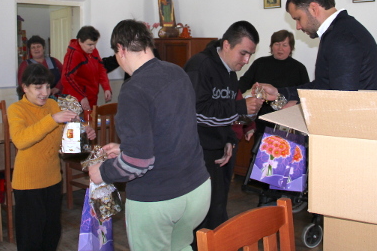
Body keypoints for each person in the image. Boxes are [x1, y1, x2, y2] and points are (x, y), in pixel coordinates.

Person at [88, 19, 210, 251]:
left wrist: (102, 172)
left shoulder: (133, 89)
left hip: (160, 198)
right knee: (180, 247)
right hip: (197, 190)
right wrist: (124, 149)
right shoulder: (177, 72)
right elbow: (172, 132)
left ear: (121, 49)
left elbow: (137, 163)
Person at [184, 21, 264, 234]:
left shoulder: (230, 73)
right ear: (227, 45)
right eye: (243, 53)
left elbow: (223, 113)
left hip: (219, 149)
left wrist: (228, 137)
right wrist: (240, 107)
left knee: (217, 207)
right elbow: (196, 112)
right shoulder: (200, 66)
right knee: (201, 214)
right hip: (197, 151)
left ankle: (219, 242)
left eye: (250, 55)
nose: (246, 61)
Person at [8, 63, 96, 251]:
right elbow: (21, 140)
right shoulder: (16, 109)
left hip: (53, 179)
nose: (45, 92)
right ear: (25, 87)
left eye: (48, 87)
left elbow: (63, 138)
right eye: (38, 87)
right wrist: (52, 119)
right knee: (31, 238)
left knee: (51, 234)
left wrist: (82, 132)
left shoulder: (52, 104)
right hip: (28, 184)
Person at [257, 0, 377, 101]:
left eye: (298, 18)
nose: (298, 26)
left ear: (313, 9)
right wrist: (280, 93)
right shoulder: (339, 31)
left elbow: (342, 100)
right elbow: (323, 86)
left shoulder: (342, 38)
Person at [238, 29, 310, 134]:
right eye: (277, 44)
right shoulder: (260, 63)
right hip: (261, 118)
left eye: (284, 45)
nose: (280, 48)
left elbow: (306, 95)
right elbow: (243, 84)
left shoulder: (299, 68)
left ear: (291, 47)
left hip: (287, 120)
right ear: (271, 46)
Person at [61, 25, 112, 111]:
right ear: (80, 41)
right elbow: (66, 78)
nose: (93, 47)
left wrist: (106, 88)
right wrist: (81, 96)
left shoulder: (93, 51)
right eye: (90, 44)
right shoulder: (73, 54)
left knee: (91, 119)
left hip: (90, 97)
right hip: (73, 100)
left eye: (94, 44)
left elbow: (101, 69)